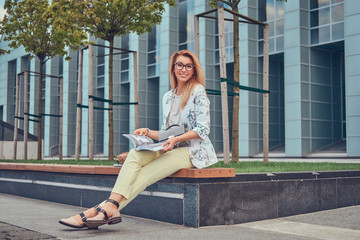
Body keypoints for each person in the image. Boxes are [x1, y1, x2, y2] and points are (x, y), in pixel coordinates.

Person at [59, 49, 218, 229]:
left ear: (194, 70)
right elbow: (167, 133)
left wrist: (175, 140)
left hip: (194, 151)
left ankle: (94, 212)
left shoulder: (197, 90)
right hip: (170, 146)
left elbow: (203, 129)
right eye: (180, 65)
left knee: (146, 173)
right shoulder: (168, 97)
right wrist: (148, 132)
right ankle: (110, 209)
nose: (184, 69)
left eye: (189, 66)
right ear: (173, 68)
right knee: (134, 154)